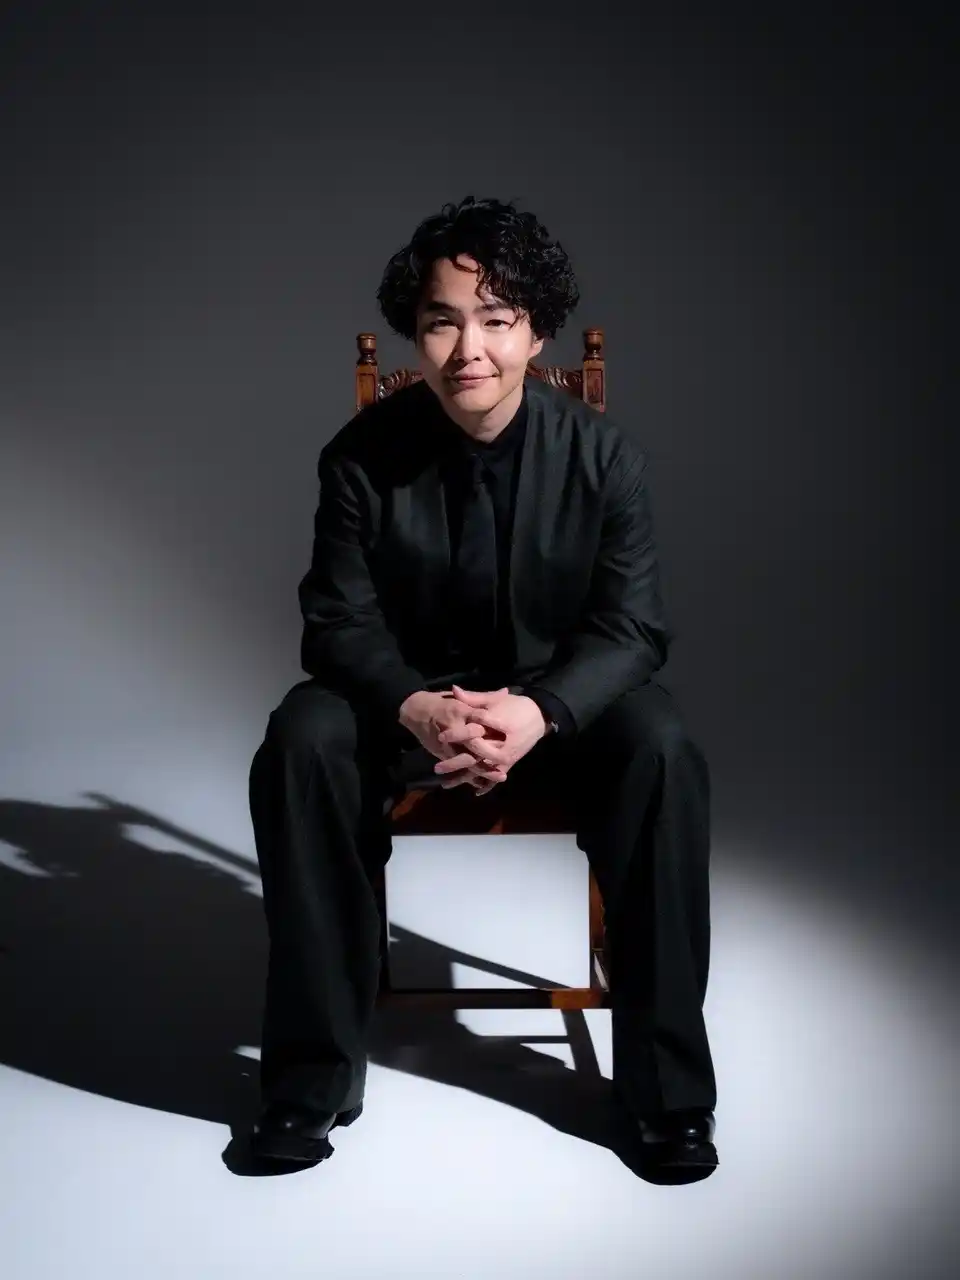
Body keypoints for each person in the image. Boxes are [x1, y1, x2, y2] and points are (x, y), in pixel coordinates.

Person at [247, 195, 717, 1178]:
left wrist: (540, 710)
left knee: (664, 748)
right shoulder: (358, 458)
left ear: (536, 332)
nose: (470, 348)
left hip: (559, 703)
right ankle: (308, 1079)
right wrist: (418, 706)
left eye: (496, 318)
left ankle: (666, 1094)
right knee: (301, 739)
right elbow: (335, 624)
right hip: (405, 703)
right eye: (442, 320)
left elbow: (634, 629)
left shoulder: (606, 458)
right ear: (414, 334)